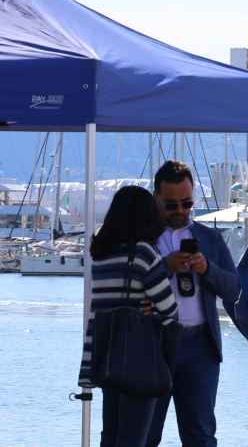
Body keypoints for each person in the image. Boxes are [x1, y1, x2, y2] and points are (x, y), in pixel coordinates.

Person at [146, 161, 240, 447]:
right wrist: (165, 267)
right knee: (145, 433)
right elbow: (128, 286)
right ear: (156, 199)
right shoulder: (142, 240)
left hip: (200, 346)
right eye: (171, 205)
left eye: (187, 204)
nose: (181, 212)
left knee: (200, 435)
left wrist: (206, 268)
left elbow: (234, 289)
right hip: (153, 345)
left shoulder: (208, 239)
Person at [78, 185, 178, 447]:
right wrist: (151, 310)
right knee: (134, 440)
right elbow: (170, 310)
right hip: (139, 362)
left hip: (107, 360)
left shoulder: (100, 258)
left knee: (110, 437)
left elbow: (103, 308)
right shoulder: (143, 253)